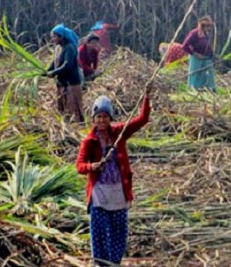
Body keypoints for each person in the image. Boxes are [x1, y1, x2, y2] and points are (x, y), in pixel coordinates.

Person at [76, 86, 152, 266]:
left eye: (105, 117)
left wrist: (146, 97)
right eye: (98, 117)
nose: (102, 120)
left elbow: (142, 119)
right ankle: (100, 264)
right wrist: (92, 166)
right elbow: (79, 166)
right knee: (100, 234)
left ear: (110, 118)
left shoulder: (119, 133)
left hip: (118, 191)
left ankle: (114, 263)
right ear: (93, 119)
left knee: (118, 233)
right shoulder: (89, 141)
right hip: (99, 195)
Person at [47, 24, 84, 124]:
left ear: (61, 36)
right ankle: (65, 126)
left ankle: (77, 127)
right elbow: (54, 63)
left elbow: (67, 65)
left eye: (55, 36)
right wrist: (46, 71)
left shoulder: (70, 48)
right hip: (61, 83)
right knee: (63, 108)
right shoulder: (58, 48)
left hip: (71, 84)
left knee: (73, 108)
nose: (53, 39)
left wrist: (53, 73)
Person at [182, 16, 216, 92]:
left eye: (209, 26)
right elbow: (185, 46)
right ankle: (194, 91)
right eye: (207, 26)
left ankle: (209, 91)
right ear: (202, 26)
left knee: (207, 77)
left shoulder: (206, 34)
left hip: (206, 59)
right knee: (196, 77)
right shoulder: (194, 34)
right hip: (197, 60)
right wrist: (195, 54)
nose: (209, 28)